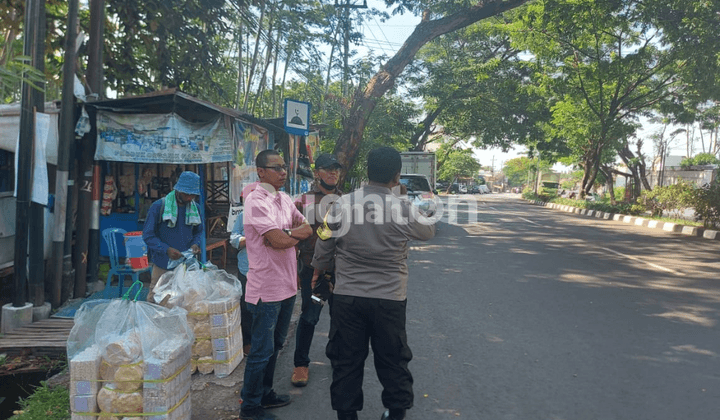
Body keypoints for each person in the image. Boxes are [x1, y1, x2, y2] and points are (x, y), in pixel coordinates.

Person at [312, 147, 436, 420]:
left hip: (348, 297)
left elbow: (324, 242)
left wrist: (319, 270)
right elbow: (428, 231)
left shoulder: (341, 204)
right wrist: (400, 196)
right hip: (390, 298)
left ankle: (347, 415)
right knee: (393, 359)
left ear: (367, 172)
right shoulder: (402, 207)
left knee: (346, 360)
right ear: (397, 175)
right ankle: (395, 413)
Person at [240, 150, 313, 420]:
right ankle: (249, 407)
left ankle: (266, 394)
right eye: (276, 167)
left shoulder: (283, 199)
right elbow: (281, 241)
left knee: (277, 344)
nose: (283, 172)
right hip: (266, 289)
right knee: (261, 351)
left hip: (287, 286)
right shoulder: (256, 201)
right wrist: (288, 237)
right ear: (260, 171)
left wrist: (285, 235)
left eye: (284, 167)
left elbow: (305, 229)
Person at [290, 153, 343, 387]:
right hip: (312, 270)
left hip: (342, 270)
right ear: (317, 172)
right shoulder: (304, 201)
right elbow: (292, 237)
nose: (333, 173)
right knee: (310, 317)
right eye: (328, 169)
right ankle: (300, 364)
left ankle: (336, 354)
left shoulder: (347, 202)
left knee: (340, 316)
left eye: (336, 169)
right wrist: (294, 270)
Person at [142, 171, 204, 303]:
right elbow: (148, 235)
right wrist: (166, 249)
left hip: (185, 266)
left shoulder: (196, 209)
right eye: (186, 194)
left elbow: (199, 232)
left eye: (192, 195)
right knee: (156, 301)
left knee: (183, 303)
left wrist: (195, 244)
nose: (189, 198)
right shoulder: (159, 207)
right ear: (178, 190)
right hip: (162, 265)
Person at [230, 182, 259, 357]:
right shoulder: (242, 217)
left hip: (265, 270)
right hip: (246, 268)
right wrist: (246, 239)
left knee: (263, 306)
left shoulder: (271, 216)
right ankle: (247, 341)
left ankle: (261, 339)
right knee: (247, 306)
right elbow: (234, 238)